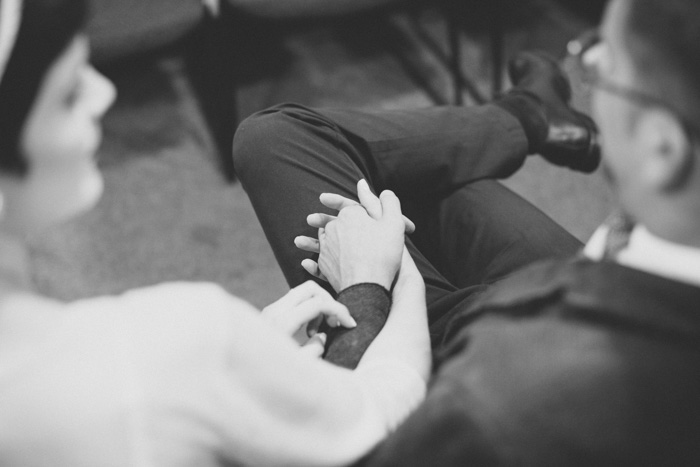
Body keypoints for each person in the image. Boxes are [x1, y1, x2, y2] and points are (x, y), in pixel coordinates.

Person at [232, 0, 700, 464]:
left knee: (278, 138)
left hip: (491, 353)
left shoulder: (499, 408)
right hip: (585, 281)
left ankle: (526, 116)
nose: (591, 74)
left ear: (662, 147)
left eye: (603, 67)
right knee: (417, 169)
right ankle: (528, 116)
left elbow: (365, 450)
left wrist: (365, 289)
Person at [0, 0, 432, 465]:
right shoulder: (180, 344)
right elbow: (381, 410)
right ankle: (517, 117)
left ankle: (516, 115)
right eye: (68, 94)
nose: (103, 93)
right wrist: (389, 275)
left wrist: (243, 360)